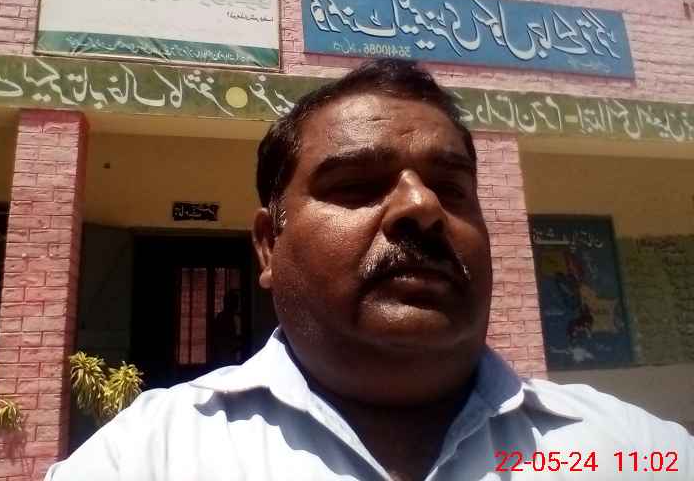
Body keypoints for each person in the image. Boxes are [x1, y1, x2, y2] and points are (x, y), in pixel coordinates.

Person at [46, 58, 693, 480]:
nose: (421, 207)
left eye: (451, 188)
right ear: (269, 245)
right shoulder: (149, 457)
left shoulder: (632, 453)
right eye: (356, 185)